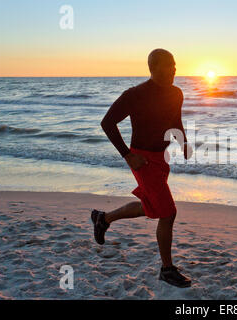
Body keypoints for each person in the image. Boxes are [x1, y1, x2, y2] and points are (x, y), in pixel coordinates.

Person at [92, 48, 192, 288]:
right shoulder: (135, 95)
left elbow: (175, 120)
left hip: (161, 158)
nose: (174, 69)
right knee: (168, 213)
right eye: (169, 65)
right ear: (153, 67)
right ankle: (167, 270)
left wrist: (184, 141)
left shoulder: (177, 93)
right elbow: (107, 123)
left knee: (151, 206)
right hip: (142, 160)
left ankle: (103, 218)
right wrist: (128, 156)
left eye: (175, 64)